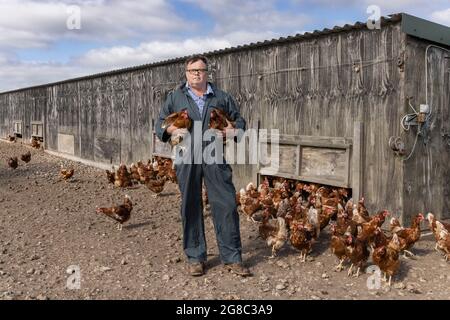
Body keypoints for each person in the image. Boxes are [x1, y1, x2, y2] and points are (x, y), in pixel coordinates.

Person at [155, 55, 251, 277]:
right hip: (185, 155)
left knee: (226, 204)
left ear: (207, 72)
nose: (196, 74)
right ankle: (195, 257)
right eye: (192, 71)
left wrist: (233, 131)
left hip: (214, 155)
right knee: (191, 204)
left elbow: (240, 122)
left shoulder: (221, 97)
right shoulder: (175, 97)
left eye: (200, 70)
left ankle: (232, 257)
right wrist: (169, 130)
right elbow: (159, 123)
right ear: (186, 73)